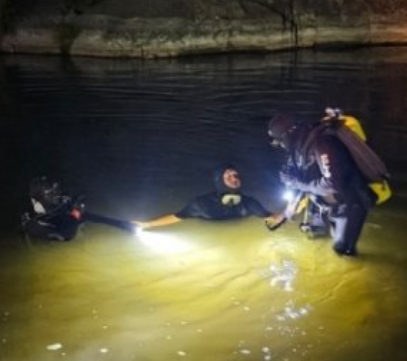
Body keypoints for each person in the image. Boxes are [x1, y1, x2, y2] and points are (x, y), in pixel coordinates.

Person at [265, 108, 390, 256]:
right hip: (330, 203)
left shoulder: (322, 143)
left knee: (342, 250)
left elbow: (332, 184)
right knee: (332, 235)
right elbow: (298, 185)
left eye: (280, 141)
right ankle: (329, 227)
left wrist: (297, 182)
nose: (281, 146)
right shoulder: (298, 151)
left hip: (350, 202)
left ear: (288, 134)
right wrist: (285, 215)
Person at [133, 164, 275, 229]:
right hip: (209, 225)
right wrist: (147, 224)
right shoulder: (202, 204)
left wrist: (287, 210)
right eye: (228, 176)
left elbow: (271, 218)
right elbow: (176, 217)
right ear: (219, 181)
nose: (234, 178)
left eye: (235, 175)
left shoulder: (249, 203)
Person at [20, 176, 85, 241]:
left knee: (74, 210)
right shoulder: (37, 204)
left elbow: (59, 198)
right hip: (50, 219)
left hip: (58, 215)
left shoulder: (54, 195)